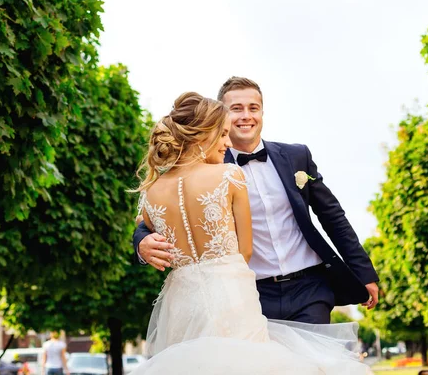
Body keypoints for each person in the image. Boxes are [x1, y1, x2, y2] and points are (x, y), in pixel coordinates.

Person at [130, 91, 369, 374]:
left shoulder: (151, 189)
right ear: (207, 131)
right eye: (227, 126)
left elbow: (331, 214)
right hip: (241, 290)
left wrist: (363, 271)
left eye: (254, 107)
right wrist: (141, 244)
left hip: (186, 299)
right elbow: (244, 250)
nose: (229, 138)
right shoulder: (228, 173)